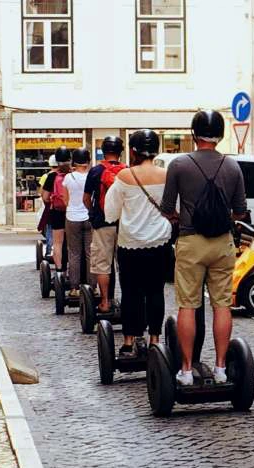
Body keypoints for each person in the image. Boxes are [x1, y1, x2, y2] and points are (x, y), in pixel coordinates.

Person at [161, 109, 247, 386]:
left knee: (188, 305)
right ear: (221, 135)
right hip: (222, 243)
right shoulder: (232, 166)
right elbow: (240, 212)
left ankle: (186, 370)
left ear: (193, 134)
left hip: (190, 241)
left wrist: (180, 217)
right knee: (222, 305)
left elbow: (166, 207)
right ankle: (221, 367)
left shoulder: (179, 164)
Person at [104, 130, 171, 357]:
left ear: (132, 151)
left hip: (130, 243)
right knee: (155, 291)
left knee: (131, 292)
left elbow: (110, 212)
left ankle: (129, 341)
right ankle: (155, 339)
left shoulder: (124, 177)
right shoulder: (167, 175)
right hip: (159, 242)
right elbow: (176, 207)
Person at [84, 137, 127, 313]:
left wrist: (93, 213)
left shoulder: (96, 171)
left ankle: (105, 302)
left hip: (102, 223)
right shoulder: (127, 171)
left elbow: (86, 199)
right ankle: (127, 301)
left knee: (103, 263)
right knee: (124, 264)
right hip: (124, 224)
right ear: (120, 151)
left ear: (103, 150)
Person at [61, 147, 93, 298]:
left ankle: (74, 288)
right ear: (88, 161)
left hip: (72, 217)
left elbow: (65, 199)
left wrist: (72, 206)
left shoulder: (68, 178)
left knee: (74, 253)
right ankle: (92, 286)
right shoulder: (92, 176)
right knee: (90, 253)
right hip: (89, 217)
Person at [41, 147, 72, 272]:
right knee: (73, 244)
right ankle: (74, 272)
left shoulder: (52, 176)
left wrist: (52, 202)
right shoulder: (73, 175)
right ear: (70, 159)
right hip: (72, 213)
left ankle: (59, 271)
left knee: (58, 243)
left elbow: (45, 197)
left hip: (57, 212)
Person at [38, 155, 57, 257]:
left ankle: (49, 251)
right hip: (63, 207)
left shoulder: (46, 176)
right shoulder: (65, 175)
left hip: (49, 205)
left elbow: (42, 192)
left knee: (50, 228)